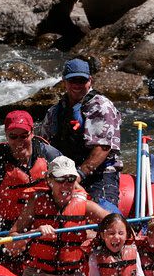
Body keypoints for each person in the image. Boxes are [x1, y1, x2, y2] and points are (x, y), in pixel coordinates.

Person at [7, 156, 109, 276]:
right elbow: (12, 242)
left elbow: (115, 223)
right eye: (61, 179)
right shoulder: (35, 203)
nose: (66, 185)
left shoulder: (85, 205)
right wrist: (33, 233)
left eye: (71, 179)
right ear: (49, 180)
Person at [40, 58, 123, 205]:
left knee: (103, 212)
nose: (77, 85)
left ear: (90, 81)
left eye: (81, 80)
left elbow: (103, 148)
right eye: (73, 80)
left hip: (99, 173)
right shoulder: (55, 111)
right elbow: (43, 144)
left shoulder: (102, 107)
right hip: (63, 174)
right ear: (64, 82)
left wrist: (79, 176)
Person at [0, 110, 61, 233]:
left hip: (41, 221)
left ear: (32, 133)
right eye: (13, 136)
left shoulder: (48, 154)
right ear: (6, 135)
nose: (19, 141)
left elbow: (71, 181)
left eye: (24, 136)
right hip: (2, 225)